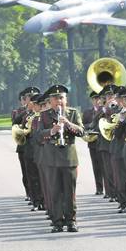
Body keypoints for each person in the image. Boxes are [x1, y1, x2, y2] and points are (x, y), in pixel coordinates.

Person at [30, 84, 83, 233]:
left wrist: (68, 124)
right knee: (54, 191)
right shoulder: (44, 115)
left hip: (69, 158)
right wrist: (52, 131)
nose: (58, 101)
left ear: (66, 99)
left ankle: (71, 221)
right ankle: (57, 221)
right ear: (50, 100)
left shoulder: (72, 113)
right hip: (51, 158)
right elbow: (37, 137)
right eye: (55, 98)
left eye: (61, 98)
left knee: (69, 191)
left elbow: (81, 131)